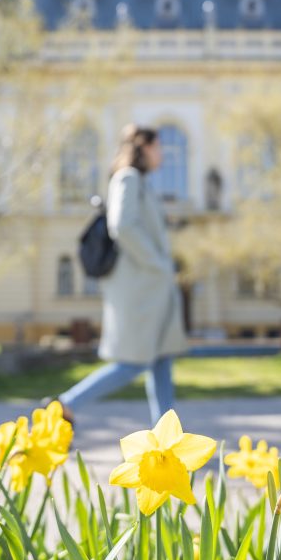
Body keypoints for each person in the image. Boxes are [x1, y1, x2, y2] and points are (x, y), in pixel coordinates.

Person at [53, 125, 188, 425]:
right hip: (139, 290)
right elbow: (122, 225)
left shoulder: (141, 182)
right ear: (145, 147)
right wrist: (158, 264)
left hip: (150, 289)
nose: (162, 153)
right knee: (133, 361)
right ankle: (67, 403)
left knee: (162, 359)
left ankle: (167, 435)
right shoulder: (128, 178)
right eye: (158, 147)